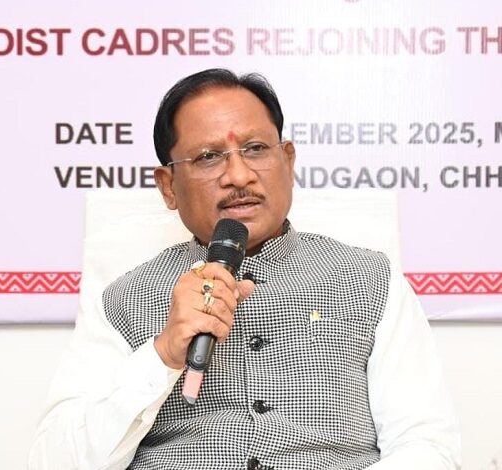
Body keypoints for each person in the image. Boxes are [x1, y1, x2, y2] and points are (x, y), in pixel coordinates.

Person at [29, 69, 461, 469]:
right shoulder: (122, 300)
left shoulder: (370, 279)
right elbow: (55, 462)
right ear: (168, 186)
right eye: (208, 157)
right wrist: (162, 354)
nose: (238, 176)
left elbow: (426, 446)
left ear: (288, 161)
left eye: (255, 149)